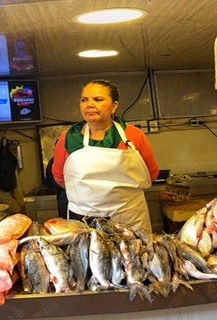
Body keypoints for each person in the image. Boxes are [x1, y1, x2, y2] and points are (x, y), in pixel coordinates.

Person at [51, 80, 159, 232]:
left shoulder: (133, 135)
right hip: (84, 219)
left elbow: (151, 175)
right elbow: (60, 178)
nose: (89, 104)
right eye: (84, 100)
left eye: (98, 99)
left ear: (114, 106)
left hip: (129, 219)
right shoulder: (68, 138)